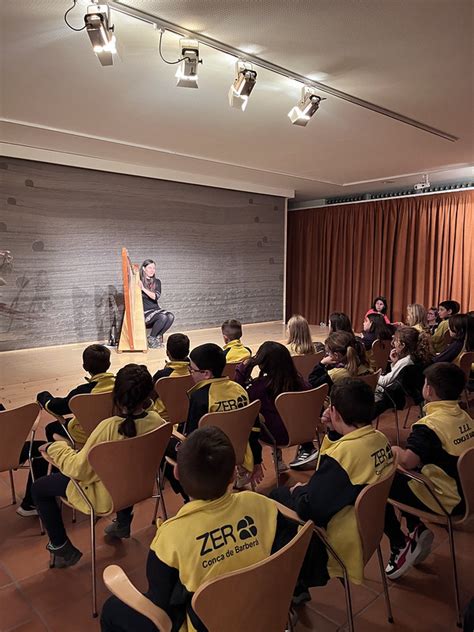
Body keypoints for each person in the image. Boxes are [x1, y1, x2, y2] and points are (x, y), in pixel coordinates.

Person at [100, 427, 298, 632]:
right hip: (263, 612)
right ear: (233, 474)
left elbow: (163, 609)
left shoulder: (171, 537)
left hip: (205, 626)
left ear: (176, 473)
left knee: (112, 610)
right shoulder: (261, 505)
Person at [31, 365, 166, 567]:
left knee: (39, 488)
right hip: (139, 487)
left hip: (104, 495)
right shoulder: (158, 421)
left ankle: (60, 546)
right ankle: (122, 523)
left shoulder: (109, 427)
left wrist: (57, 448)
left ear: (116, 394)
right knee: (126, 465)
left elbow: (78, 470)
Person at [271, 378, 395, 588]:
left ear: (335, 412)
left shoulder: (343, 457)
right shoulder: (380, 439)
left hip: (342, 539)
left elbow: (311, 508)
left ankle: (293, 580)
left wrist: (299, 491)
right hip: (371, 526)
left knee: (275, 499)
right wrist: (334, 429)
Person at [384, 363, 474, 579]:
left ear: (429, 390)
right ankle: (417, 529)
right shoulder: (465, 417)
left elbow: (407, 461)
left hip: (447, 500)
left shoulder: (429, 426)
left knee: (381, 477)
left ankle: (401, 543)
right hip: (468, 494)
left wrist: (394, 450)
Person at [186, 343, 263, 488]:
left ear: (206, 374)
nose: (190, 372)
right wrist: (257, 460)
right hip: (241, 452)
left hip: (212, 459)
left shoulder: (199, 397)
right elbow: (254, 428)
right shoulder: (239, 389)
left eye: (192, 370)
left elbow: (192, 436)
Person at [235, 341, 309, 472]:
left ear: (262, 363)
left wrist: (242, 370)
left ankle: (245, 470)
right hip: (302, 432)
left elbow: (240, 397)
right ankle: (280, 457)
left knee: (249, 419)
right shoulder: (300, 383)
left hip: (275, 436)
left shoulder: (259, 388)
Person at [39, 344, 115, 445]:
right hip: (113, 429)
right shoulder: (121, 384)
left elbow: (56, 408)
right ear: (109, 364)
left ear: (84, 367)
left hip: (86, 435)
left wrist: (43, 396)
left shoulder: (81, 393)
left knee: (51, 428)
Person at [374, 327, 432, 413]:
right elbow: (397, 376)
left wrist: (374, 375)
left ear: (403, 345)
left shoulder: (406, 361)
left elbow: (385, 382)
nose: (393, 343)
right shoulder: (418, 357)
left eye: (396, 341)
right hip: (414, 395)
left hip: (395, 397)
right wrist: (395, 363)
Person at [152, 333, 190, 421]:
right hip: (187, 414)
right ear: (188, 352)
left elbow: (151, 396)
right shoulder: (195, 371)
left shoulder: (162, 376)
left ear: (167, 352)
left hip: (163, 418)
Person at [140, 259, 174, 349]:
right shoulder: (138, 281)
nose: (152, 270)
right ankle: (151, 338)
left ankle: (156, 337)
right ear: (144, 268)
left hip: (155, 309)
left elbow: (155, 296)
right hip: (144, 312)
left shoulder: (157, 282)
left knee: (170, 316)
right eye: (149, 268)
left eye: (154, 268)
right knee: (162, 317)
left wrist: (143, 289)